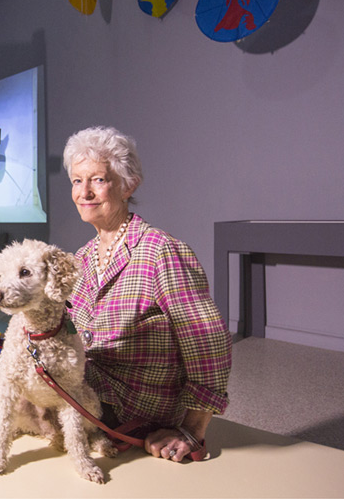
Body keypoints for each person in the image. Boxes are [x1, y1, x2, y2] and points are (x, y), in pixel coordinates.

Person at [62, 125, 232, 463]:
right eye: (77, 181)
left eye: (98, 180)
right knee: (10, 394)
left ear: (128, 186)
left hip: (137, 406)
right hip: (93, 387)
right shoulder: (82, 257)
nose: (85, 192)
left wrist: (191, 430)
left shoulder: (160, 251)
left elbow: (207, 343)